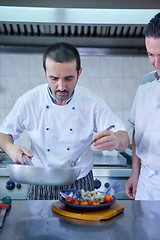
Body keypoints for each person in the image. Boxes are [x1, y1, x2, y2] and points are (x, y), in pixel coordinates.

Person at [0, 42, 129, 200]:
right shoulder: (29, 101)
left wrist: (115, 140)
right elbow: (4, 134)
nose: (61, 87)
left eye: (68, 78)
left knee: (81, 224)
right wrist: (10, 147)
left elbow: (124, 138)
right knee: (35, 225)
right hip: (40, 183)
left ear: (79, 73)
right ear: (45, 72)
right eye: (53, 78)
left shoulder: (91, 102)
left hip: (80, 183)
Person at [125, 12, 160, 200]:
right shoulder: (145, 82)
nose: (157, 63)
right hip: (146, 182)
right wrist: (135, 173)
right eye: (151, 54)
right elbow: (138, 132)